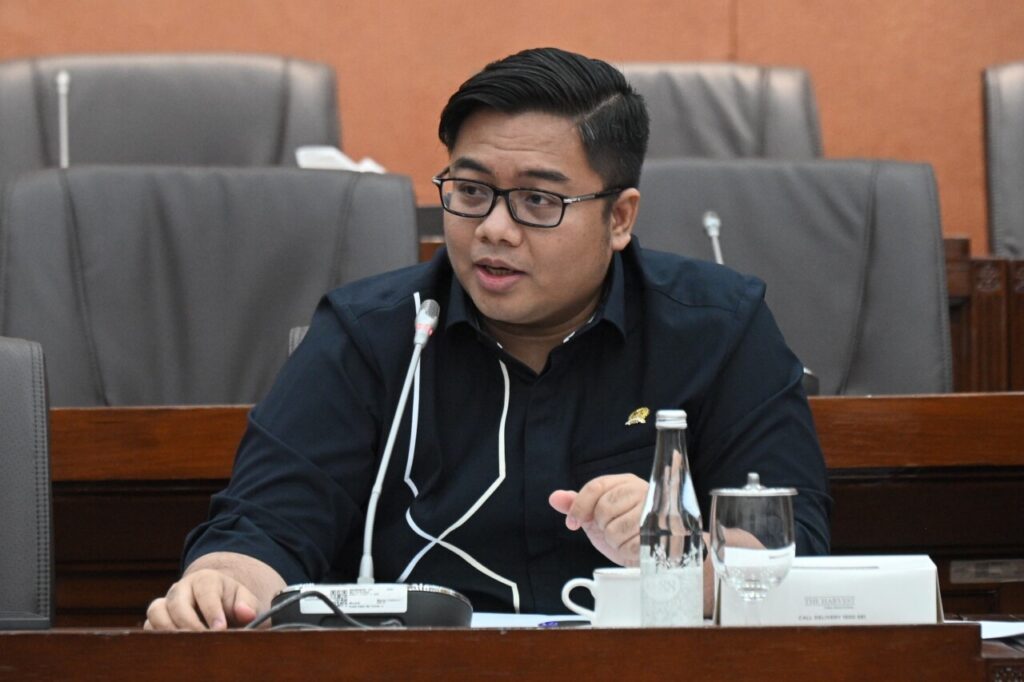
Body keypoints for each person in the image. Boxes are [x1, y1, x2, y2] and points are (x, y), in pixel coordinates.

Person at [145, 47, 830, 631]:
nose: (494, 230)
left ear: (620, 218)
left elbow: (793, 553)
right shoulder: (369, 335)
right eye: (471, 191)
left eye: (538, 201)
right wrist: (220, 587)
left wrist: (680, 552)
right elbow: (262, 529)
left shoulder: (718, 329)